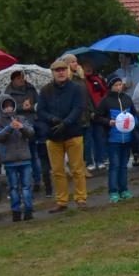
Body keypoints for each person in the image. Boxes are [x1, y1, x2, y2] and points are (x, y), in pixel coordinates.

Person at [35, 58, 88, 213]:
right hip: (53, 135)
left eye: (63, 69)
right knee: (57, 171)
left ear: (67, 71)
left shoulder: (77, 88)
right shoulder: (45, 90)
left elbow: (78, 108)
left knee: (77, 169)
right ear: (52, 73)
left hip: (73, 133)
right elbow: (40, 110)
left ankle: (81, 198)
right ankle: (61, 201)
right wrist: (52, 119)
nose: (61, 73)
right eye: (57, 70)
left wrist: (66, 122)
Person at [95, 70, 137, 203]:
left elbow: (134, 115)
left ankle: (123, 189)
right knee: (115, 165)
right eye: (116, 85)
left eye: (120, 84)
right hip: (113, 139)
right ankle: (113, 191)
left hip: (127, 138)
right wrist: (108, 122)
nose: (119, 87)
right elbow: (97, 117)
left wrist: (134, 122)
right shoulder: (105, 101)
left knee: (124, 165)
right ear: (110, 86)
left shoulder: (127, 98)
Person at [0, 95, 35, 222]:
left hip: (25, 159)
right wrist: (9, 127)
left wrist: (22, 127)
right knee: (13, 187)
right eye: (5, 107)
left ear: (14, 106)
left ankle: (28, 210)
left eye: (10, 106)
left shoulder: (22, 118)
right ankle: (16, 211)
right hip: (9, 161)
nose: (8, 108)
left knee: (26, 186)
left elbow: (31, 132)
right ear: (1, 108)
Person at [81, 61, 108, 172]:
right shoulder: (81, 81)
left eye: (90, 66)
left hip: (99, 112)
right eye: (86, 66)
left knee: (99, 137)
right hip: (86, 114)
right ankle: (89, 162)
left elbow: (104, 92)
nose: (89, 68)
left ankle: (100, 160)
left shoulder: (97, 79)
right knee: (88, 139)